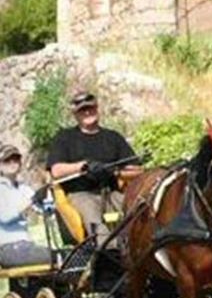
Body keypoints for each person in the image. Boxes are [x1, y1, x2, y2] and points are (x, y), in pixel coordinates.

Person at [46, 92, 142, 243]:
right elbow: (56, 170)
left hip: (112, 192)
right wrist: (84, 165)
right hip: (81, 195)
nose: (87, 112)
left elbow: (137, 171)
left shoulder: (113, 137)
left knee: (138, 214)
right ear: (75, 114)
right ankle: (108, 254)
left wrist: (115, 173)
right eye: (82, 110)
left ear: (97, 108)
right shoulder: (64, 137)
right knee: (96, 223)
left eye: (91, 108)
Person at [0, 144, 51, 267]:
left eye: (16, 159)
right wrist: (32, 200)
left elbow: (46, 210)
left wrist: (48, 194)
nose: (12, 163)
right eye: (7, 160)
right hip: (7, 248)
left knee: (62, 256)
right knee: (58, 257)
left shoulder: (24, 188)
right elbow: (5, 216)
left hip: (27, 245)